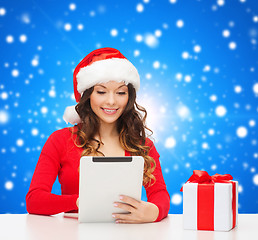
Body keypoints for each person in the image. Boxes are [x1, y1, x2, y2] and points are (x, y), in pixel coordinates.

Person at [26, 47, 170, 223]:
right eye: (101, 91)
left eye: (121, 92)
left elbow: (159, 194)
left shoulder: (142, 144)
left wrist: (154, 211)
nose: (111, 101)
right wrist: (80, 202)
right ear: (87, 96)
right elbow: (34, 200)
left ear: (129, 97)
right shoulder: (60, 140)